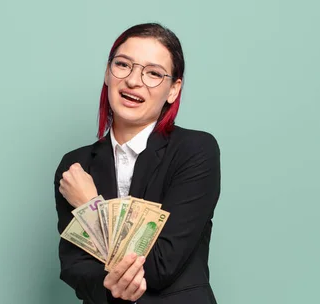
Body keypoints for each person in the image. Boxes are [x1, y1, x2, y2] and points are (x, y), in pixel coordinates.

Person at [54, 22, 221, 304]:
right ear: (108, 73)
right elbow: (75, 268)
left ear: (173, 89)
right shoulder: (75, 166)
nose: (133, 81)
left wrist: (90, 205)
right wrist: (111, 288)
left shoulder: (195, 150)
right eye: (123, 65)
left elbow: (160, 266)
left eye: (154, 73)